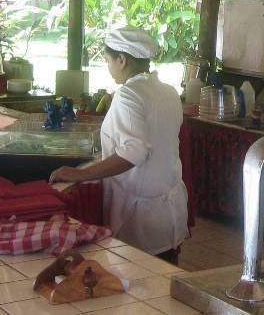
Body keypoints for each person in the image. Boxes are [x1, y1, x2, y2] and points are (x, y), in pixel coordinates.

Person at [50, 26, 188, 263]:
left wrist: (79, 174)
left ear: (122, 59)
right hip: (169, 211)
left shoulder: (128, 94)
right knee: (163, 280)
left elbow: (133, 152)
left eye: (108, 60)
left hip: (140, 217)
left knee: (137, 285)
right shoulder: (169, 91)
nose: (109, 67)